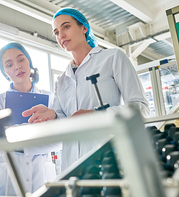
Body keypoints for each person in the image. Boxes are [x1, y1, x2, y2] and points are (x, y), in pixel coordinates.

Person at [22, 8, 150, 171]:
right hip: (72, 166)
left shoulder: (112, 58)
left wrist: (94, 115)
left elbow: (141, 109)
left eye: (66, 27)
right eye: (56, 32)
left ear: (84, 28)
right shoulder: (61, 80)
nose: (60, 35)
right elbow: (65, 120)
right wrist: (53, 114)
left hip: (109, 160)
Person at [0, 42, 61, 196]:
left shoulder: (50, 99)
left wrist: (17, 138)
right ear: (5, 72)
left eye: (21, 60)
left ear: (29, 63)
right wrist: (39, 137)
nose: (17, 66)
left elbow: (58, 140)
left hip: (42, 175)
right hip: (7, 178)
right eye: (9, 64)